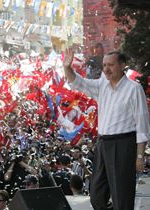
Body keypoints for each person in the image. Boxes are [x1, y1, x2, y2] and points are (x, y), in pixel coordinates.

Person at [63, 49, 150, 210]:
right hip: (103, 143)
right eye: (104, 65)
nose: (106, 69)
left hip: (124, 144)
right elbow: (79, 83)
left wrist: (139, 156)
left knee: (121, 195)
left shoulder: (134, 89)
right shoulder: (101, 85)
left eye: (111, 65)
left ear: (122, 65)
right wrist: (67, 68)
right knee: (96, 195)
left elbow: (142, 124)